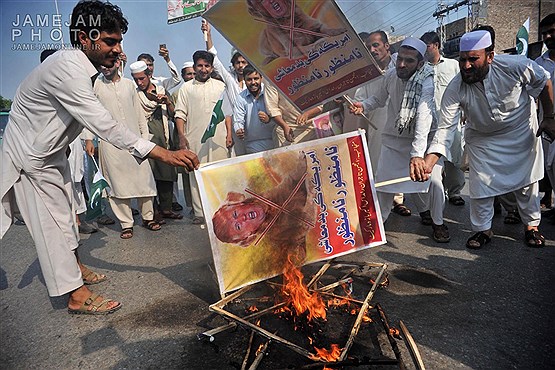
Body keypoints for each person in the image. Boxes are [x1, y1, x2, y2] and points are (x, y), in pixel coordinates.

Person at [0, 0, 199, 315]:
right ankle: (76, 295)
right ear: (84, 37)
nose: (117, 48)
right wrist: (165, 154)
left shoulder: (87, 70)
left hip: (51, 155)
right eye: (110, 41)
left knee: (67, 220)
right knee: (52, 226)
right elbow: (104, 124)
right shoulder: (66, 68)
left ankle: (75, 268)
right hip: (31, 160)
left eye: (119, 41)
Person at [421, 30, 554, 249]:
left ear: (490, 57)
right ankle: (482, 230)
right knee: (480, 188)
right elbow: (445, 128)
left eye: (473, 59)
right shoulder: (456, 86)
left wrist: (549, 117)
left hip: (520, 132)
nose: (466, 66)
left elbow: (544, 82)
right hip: (482, 140)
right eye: (463, 59)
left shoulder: (516, 65)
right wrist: (429, 161)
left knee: (527, 184)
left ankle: (531, 227)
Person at [351, 37, 450, 243]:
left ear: (420, 63)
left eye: (409, 61)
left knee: (435, 182)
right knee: (384, 184)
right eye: (400, 59)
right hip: (394, 140)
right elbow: (378, 99)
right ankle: (375, 225)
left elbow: (424, 118)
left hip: (424, 142)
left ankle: (438, 223)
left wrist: (417, 155)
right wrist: (363, 106)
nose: (402, 65)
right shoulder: (391, 75)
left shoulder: (427, 81)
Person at [85, 59, 160, 239]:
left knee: (144, 179)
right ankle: (126, 224)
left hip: (134, 140)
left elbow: (139, 113)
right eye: (102, 66)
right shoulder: (96, 86)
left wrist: (144, 139)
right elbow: (89, 114)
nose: (105, 68)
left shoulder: (128, 85)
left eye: (109, 65)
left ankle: (148, 217)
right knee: (117, 183)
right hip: (110, 144)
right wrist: (89, 139)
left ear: (117, 64)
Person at [212, 150, 315, 266]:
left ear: (239, 204)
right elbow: (304, 237)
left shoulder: (260, 193)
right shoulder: (275, 237)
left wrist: (302, 165)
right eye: (238, 226)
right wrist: (311, 204)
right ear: (247, 236)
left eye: (235, 214)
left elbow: (288, 184)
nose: (243, 218)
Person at [351, 30, 411, 218]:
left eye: (376, 45)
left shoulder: (401, 65)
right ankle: (379, 211)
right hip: (377, 124)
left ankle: (399, 201)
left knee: (404, 166)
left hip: (402, 125)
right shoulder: (367, 72)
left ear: (386, 46)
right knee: (379, 164)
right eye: (369, 47)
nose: (372, 50)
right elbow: (361, 99)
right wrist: (358, 107)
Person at [174, 50, 231, 225]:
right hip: (195, 138)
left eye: (207, 66)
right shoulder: (186, 88)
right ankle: (199, 212)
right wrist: (182, 136)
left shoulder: (221, 86)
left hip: (219, 139)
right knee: (196, 173)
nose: (204, 69)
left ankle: (222, 208)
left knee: (220, 173)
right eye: (200, 66)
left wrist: (229, 134)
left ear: (212, 67)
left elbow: (227, 113)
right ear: (194, 67)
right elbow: (180, 114)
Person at [130, 60, 182, 221]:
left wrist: (166, 102)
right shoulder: (134, 94)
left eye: (142, 78)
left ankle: (166, 208)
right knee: (149, 176)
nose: (139, 82)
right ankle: (153, 212)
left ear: (148, 75)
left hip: (164, 136)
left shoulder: (161, 90)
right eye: (136, 79)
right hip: (144, 139)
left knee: (166, 173)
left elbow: (174, 114)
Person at [421, 31, 465, 207]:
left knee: (455, 158)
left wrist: (464, 111)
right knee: (432, 159)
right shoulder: (421, 68)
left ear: (437, 45)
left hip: (451, 120)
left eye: (427, 46)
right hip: (429, 122)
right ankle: (433, 195)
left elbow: (463, 88)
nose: (425, 50)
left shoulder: (453, 65)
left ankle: (454, 192)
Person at [245, 0, 346, 65]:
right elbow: (290, 51)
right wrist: (311, 48)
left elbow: (316, 26)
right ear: (261, 10)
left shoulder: (296, 11)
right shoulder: (273, 29)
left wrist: (330, 31)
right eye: (263, 1)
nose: (271, 1)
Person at [202, 21, 248, 156]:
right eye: (238, 63)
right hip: (237, 128)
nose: (241, 66)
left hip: (256, 126)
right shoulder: (229, 79)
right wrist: (208, 35)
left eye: (243, 62)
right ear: (233, 64)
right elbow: (214, 59)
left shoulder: (255, 80)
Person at [535, 13, 555, 221]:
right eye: (544, 34)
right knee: (549, 165)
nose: (548, 37)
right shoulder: (538, 63)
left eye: (552, 32)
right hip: (547, 124)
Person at [233, 64, 276, 154]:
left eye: (256, 78)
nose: (253, 82)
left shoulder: (269, 92)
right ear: (244, 80)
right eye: (249, 79)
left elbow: (280, 114)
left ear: (261, 78)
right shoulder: (241, 98)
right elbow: (238, 119)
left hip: (275, 139)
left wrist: (269, 120)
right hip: (253, 144)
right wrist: (239, 129)